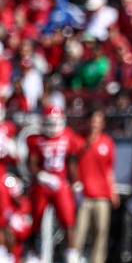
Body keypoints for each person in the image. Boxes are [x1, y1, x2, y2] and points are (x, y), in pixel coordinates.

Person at [26, 105, 85, 263]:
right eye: (49, 123)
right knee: (36, 216)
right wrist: (42, 175)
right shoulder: (36, 139)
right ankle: (32, 252)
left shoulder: (68, 136)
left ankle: (71, 252)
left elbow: (72, 162)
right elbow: (31, 163)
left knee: (68, 218)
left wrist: (76, 183)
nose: (52, 127)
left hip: (60, 182)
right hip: (43, 183)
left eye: (55, 122)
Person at [74, 109, 119, 263]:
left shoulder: (108, 142)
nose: (95, 124)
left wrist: (113, 191)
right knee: (79, 233)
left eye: (99, 121)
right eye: (93, 120)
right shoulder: (79, 139)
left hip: (102, 195)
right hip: (84, 195)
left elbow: (109, 170)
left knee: (101, 233)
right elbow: (74, 160)